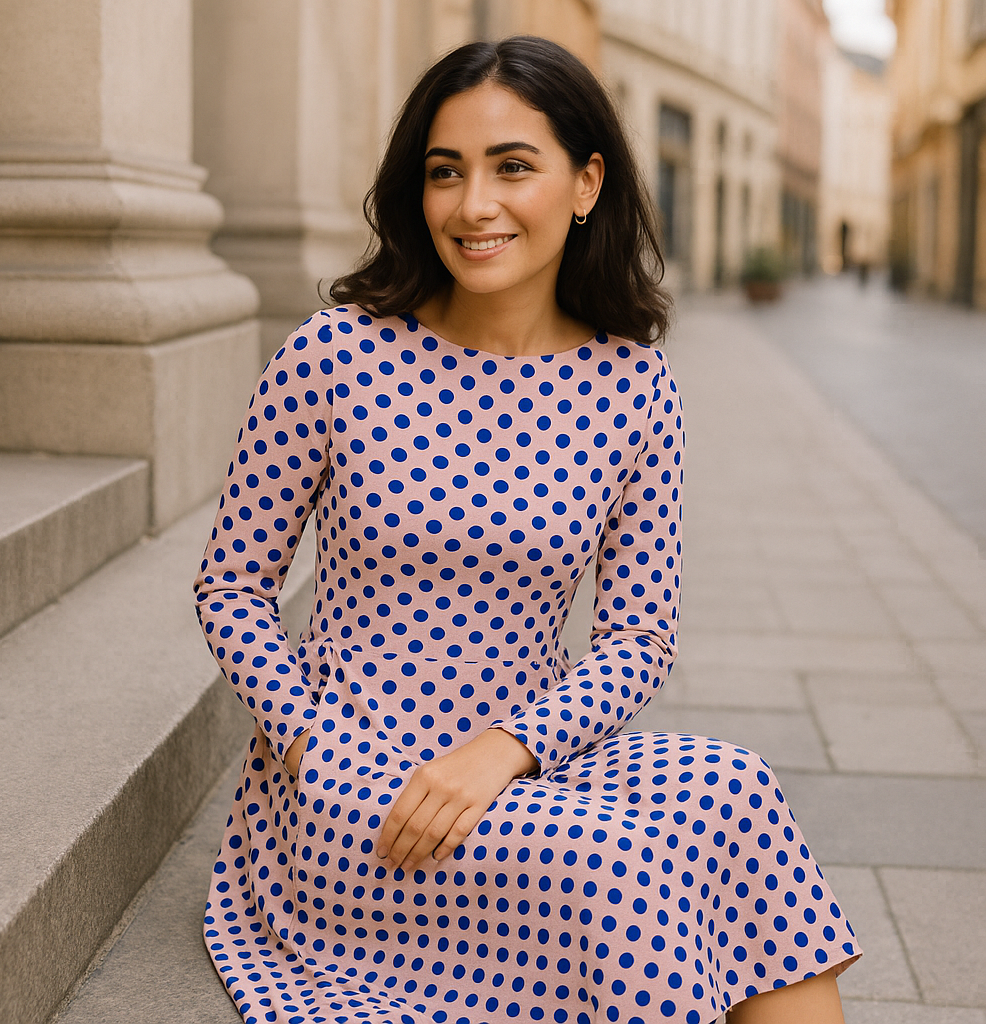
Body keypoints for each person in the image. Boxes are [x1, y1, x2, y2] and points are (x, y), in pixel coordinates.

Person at [193, 36, 861, 1024]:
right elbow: (231, 587)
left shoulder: (634, 387)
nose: (474, 206)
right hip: (360, 781)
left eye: (512, 166)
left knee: (737, 792)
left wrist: (507, 745)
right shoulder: (334, 355)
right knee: (623, 877)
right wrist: (306, 745)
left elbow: (638, 636)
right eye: (443, 172)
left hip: (538, 750)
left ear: (586, 182)